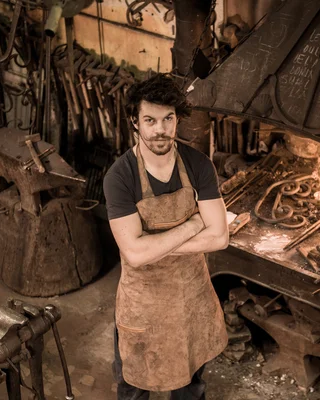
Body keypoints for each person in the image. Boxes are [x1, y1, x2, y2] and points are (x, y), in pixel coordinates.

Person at [103, 73, 229, 400]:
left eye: (167, 119)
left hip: (191, 299)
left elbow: (219, 238)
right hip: (141, 303)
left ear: (177, 120)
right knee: (133, 384)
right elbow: (135, 254)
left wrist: (153, 244)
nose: (159, 129)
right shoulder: (120, 176)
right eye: (149, 120)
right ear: (135, 122)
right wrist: (191, 225)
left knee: (191, 384)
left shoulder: (198, 165)